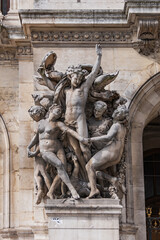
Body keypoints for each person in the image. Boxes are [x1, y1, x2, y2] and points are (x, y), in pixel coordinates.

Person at [27, 104, 88, 200]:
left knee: (63, 168)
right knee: (59, 165)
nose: (58, 113)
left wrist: (81, 138)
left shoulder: (58, 124)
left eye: (60, 112)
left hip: (58, 148)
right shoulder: (41, 122)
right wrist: (29, 147)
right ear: (51, 109)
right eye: (57, 110)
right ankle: (72, 190)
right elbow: (37, 138)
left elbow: (69, 131)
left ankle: (51, 192)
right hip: (45, 150)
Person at [61, 44, 102, 178]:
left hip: (79, 120)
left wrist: (99, 56)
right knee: (75, 150)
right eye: (75, 77)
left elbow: (93, 73)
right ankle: (84, 175)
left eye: (79, 78)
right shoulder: (65, 91)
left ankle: (91, 170)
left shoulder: (83, 88)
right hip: (67, 122)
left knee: (85, 148)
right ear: (70, 77)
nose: (78, 80)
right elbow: (51, 86)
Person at [85, 106, 128, 199]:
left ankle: (94, 190)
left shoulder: (116, 125)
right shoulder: (123, 127)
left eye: (118, 113)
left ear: (121, 116)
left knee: (89, 166)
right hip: (117, 155)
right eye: (116, 111)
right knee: (94, 171)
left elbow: (108, 137)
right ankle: (112, 179)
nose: (116, 112)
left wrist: (91, 139)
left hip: (111, 152)